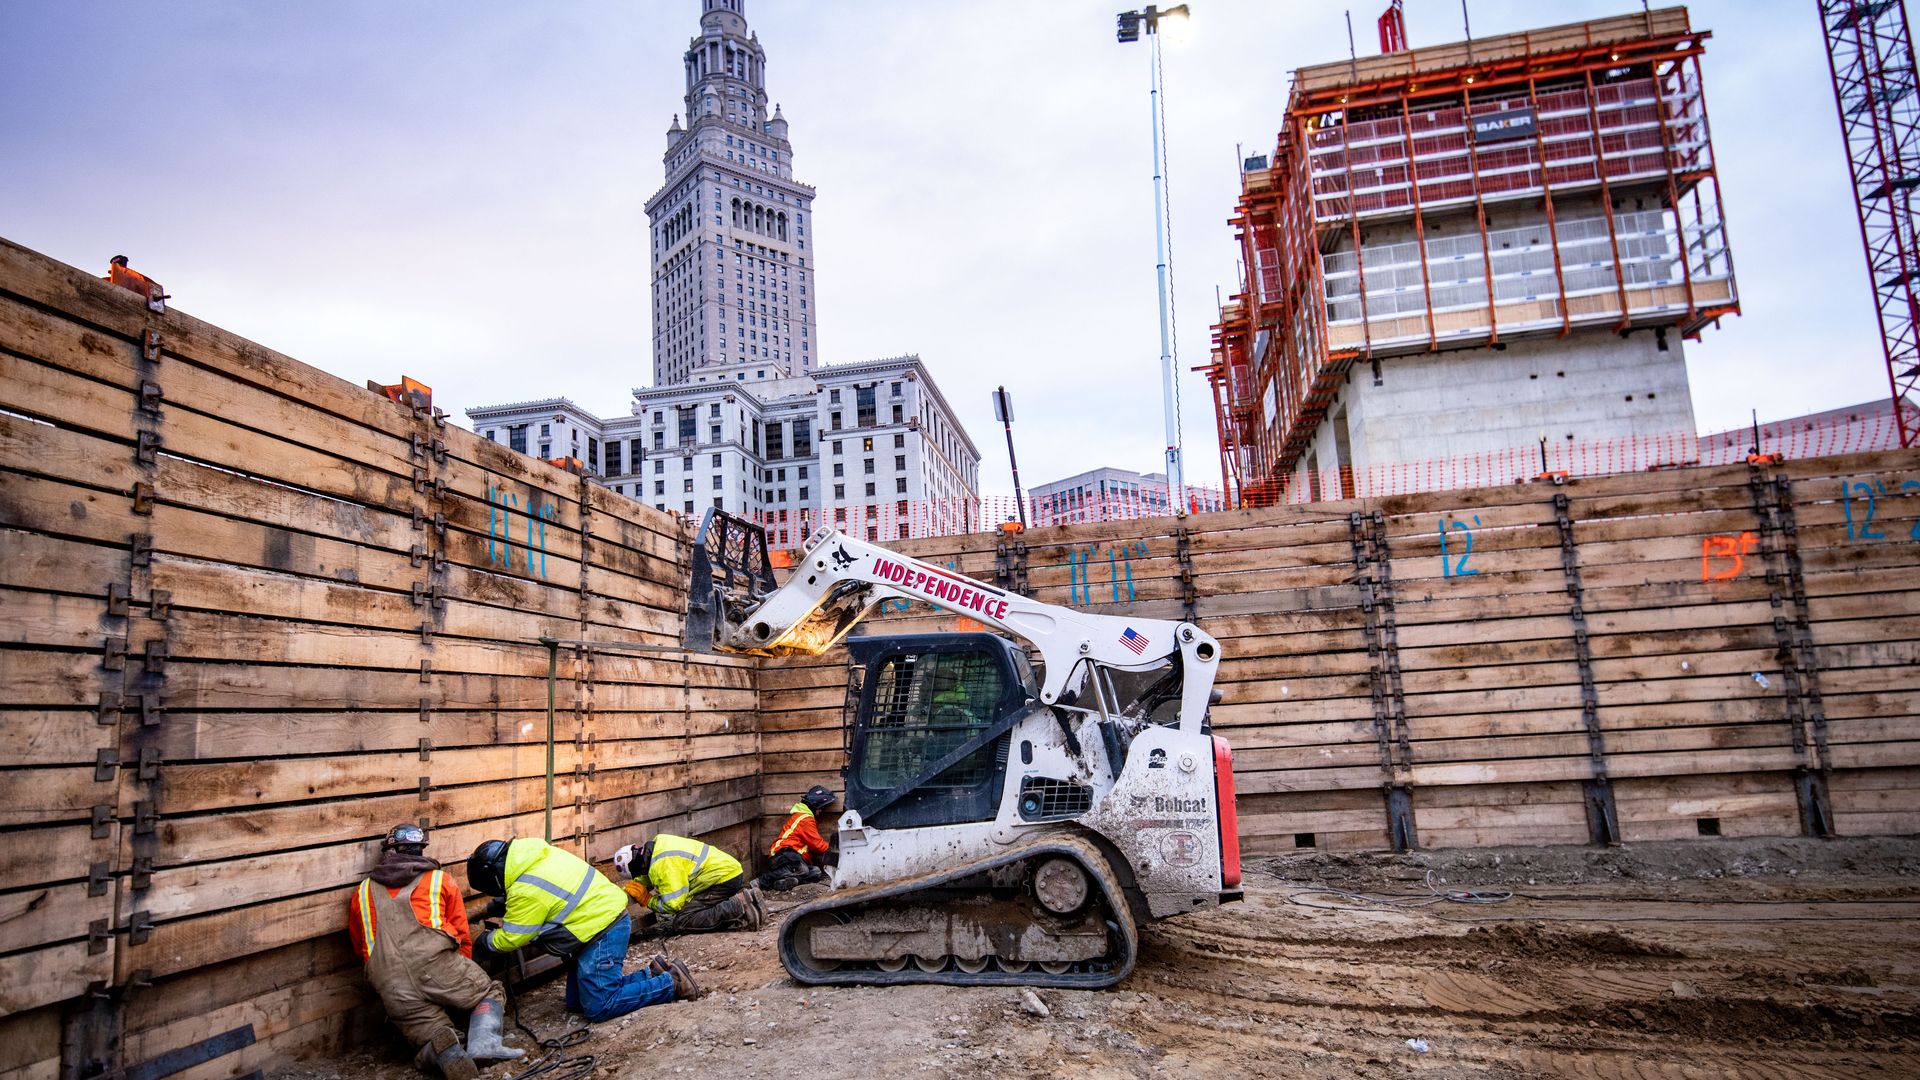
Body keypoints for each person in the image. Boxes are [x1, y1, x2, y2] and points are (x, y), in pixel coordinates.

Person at [347, 824, 522, 1080]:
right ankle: (484, 1044)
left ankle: (444, 1052)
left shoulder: (361, 893)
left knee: (431, 1032)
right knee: (488, 991)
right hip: (436, 965)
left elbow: (361, 947)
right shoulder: (439, 879)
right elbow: (462, 934)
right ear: (420, 851)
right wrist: (462, 975)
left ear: (388, 852)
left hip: (388, 981)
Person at [466, 837, 699, 1023]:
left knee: (599, 1006)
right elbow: (521, 897)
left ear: (494, 878)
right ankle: (653, 974)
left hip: (603, 928)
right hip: (596, 921)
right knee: (576, 1002)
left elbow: (511, 938)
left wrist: (482, 939)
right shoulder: (532, 858)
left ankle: (671, 983)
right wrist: (485, 910)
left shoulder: (527, 888)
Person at [612, 834, 764, 933]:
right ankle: (746, 900)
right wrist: (637, 885)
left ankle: (740, 906)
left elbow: (674, 904)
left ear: (639, 867)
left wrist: (648, 900)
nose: (641, 875)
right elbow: (650, 872)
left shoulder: (664, 865)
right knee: (692, 909)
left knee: (683, 921)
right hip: (727, 872)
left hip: (723, 879)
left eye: (638, 874)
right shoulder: (659, 845)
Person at [758, 786, 836, 892]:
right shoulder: (805, 819)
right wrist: (836, 852)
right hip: (784, 855)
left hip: (792, 859)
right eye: (820, 809)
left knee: (816, 872)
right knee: (802, 869)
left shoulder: (805, 818)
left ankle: (784, 882)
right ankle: (761, 881)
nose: (821, 811)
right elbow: (818, 845)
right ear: (815, 807)